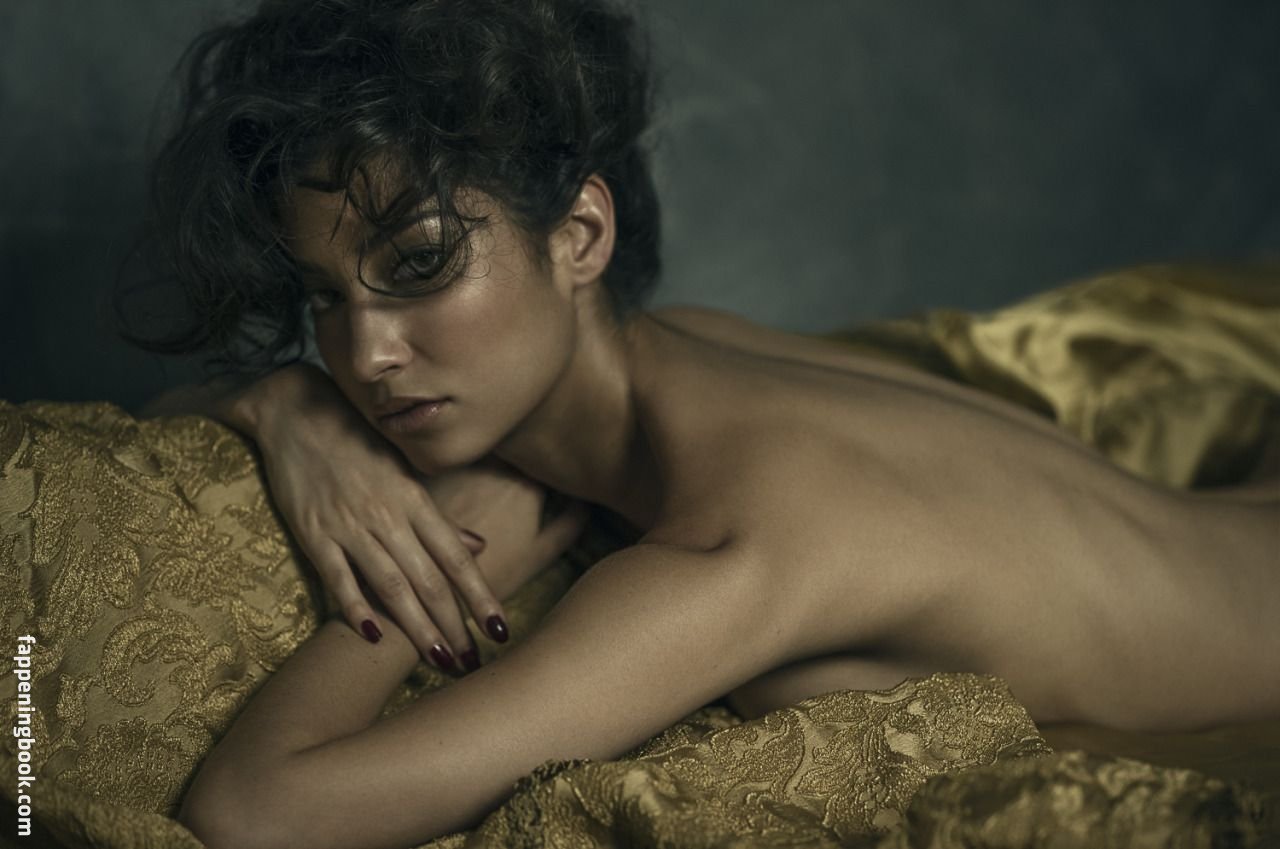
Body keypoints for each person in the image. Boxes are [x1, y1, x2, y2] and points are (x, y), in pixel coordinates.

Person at [117, 0, 1279, 846]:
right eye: (323, 300)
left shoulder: (731, 547)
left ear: (579, 237)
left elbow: (252, 815)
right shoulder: (688, 343)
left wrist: (420, 582)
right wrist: (278, 404)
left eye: (418, 266)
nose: (365, 355)